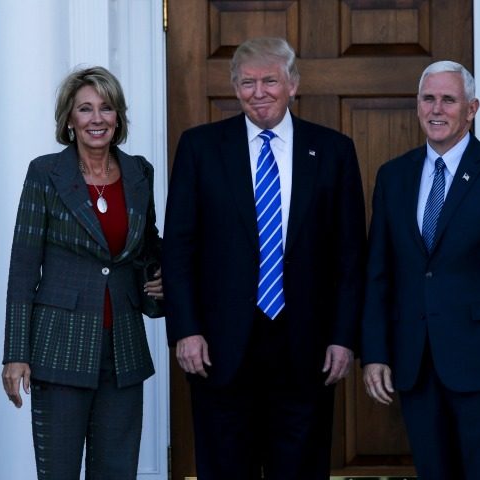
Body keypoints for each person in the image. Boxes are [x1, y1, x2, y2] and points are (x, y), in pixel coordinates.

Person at [163, 37, 367, 480]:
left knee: (300, 468)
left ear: (293, 84)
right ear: (235, 88)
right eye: (248, 82)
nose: (259, 92)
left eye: (270, 81)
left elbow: (350, 256)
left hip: (307, 347)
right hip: (219, 347)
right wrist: (186, 330)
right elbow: (178, 248)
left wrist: (343, 336)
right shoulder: (200, 148)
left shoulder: (333, 150)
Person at [361, 60, 480, 480]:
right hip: (417, 365)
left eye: (448, 100)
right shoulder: (393, 177)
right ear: (417, 105)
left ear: (471, 109)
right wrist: (375, 351)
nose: (437, 109)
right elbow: (380, 271)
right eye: (428, 98)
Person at [1, 66, 163, 479]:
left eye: (106, 108)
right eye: (85, 109)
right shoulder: (46, 174)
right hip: (59, 347)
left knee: (116, 470)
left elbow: (147, 247)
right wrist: (16, 353)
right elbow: (23, 266)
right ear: (69, 120)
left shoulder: (139, 173)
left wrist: (162, 282)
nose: (97, 119)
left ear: (118, 116)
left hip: (122, 347)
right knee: (59, 471)